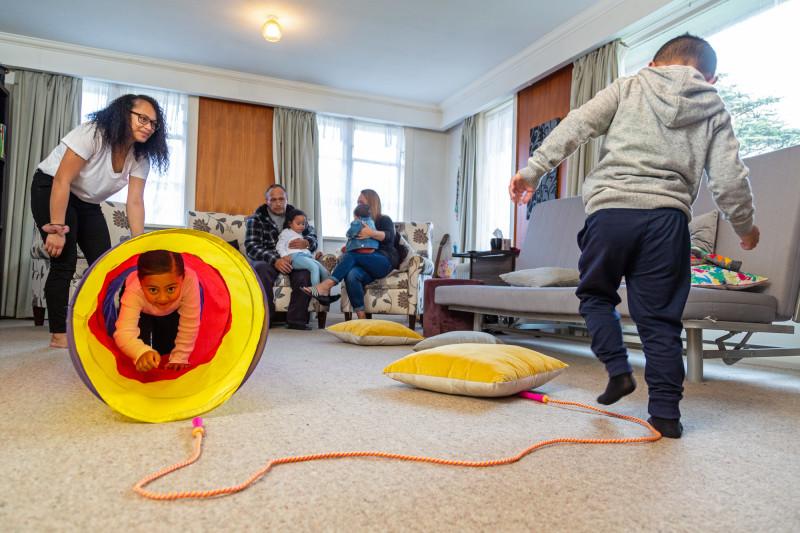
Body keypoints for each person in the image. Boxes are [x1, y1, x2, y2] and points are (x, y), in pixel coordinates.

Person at [509, 34, 760, 439]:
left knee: (595, 295)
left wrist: (534, 169)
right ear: (709, 78)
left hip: (611, 213)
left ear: (655, 64)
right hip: (667, 221)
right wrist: (745, 226)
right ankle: (664, 415)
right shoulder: (713, 107)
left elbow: (576, 125)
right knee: (661, 321)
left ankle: (617, 369)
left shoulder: (630, 85)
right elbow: (729, 178)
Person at [31, 94, 169, 348]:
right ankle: (59, 334)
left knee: (104, 265)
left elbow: (135, 202)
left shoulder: (140, 158)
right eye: (142, 118)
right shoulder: (93, 134)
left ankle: (100, 325)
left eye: (153, 123)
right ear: (122, 114)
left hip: (87, 202)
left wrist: (138, 245)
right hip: (51, 185)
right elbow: (62, 179)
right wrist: (57, 229)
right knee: (64, 261)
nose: (148, 126)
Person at [305, 189, 398, 318]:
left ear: (371, 203)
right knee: (351, 274)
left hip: (383, 261)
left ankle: (327, 285)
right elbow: (353, 243)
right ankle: (362, 318)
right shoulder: (359, 222)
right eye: (357, 202)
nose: (358, 204)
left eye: (361, 202)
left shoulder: (384, 219)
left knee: (351, 255)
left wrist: (371, 233)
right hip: (365, 266)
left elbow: (389, 236)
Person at [245, 184, 318, 330]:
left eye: (281, 199)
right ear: (267, 201)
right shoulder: (256, 219)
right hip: (268, 259)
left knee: (304, 274)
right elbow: (252, 247)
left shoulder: (297, 215)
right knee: (260, 269)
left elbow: (312, 237)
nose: (278, 203)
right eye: (273, 200)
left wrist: (307, 242)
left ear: (286, 199)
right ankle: (267, 318)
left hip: (294, 257)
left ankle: (297, 320)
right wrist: (275, 260)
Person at [113, 250, 200, 372]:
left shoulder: (189, 280)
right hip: (142, 310)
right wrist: (140, 352)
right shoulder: (134, 290)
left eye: (170, 289)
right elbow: (124, 332)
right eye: (153, 290)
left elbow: (190, 322)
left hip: (174, 308)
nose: (163, 298)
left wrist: (180, 357)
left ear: (183, 278)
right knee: (141, 355)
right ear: (141, 282)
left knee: (167, 349)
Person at [277, 208, 338, 292]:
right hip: (295, 257)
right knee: (314, 268)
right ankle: (316, 292)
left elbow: (305, 250)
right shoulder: (286, 232)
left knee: (324, 271)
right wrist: (284, 256)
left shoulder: (301, 234)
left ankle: (325, 293)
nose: (302, 226)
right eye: (298, 224)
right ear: (290, 224)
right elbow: (279, 245)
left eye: (304, 224)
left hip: (306, 257)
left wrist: (315, 253)